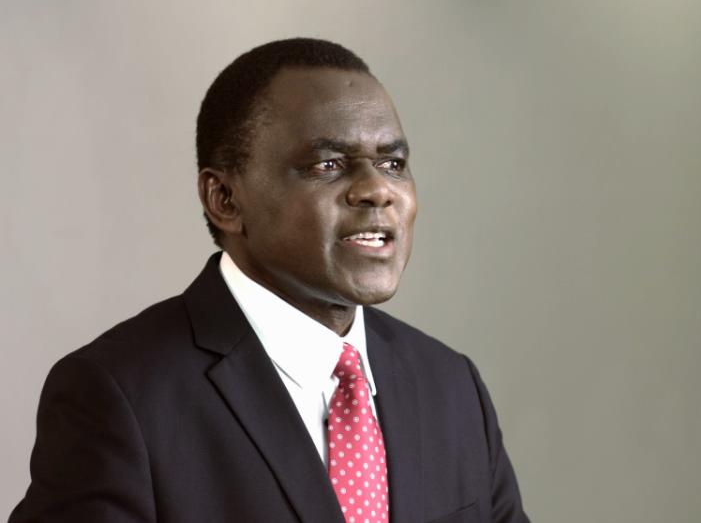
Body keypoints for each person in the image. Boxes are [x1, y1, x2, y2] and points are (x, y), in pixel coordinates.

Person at [10, 38, 529, 523]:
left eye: (392, 163)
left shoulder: (451, 385)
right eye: (328, 164)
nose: (377, 190)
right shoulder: (120, 396)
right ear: (225, 200)